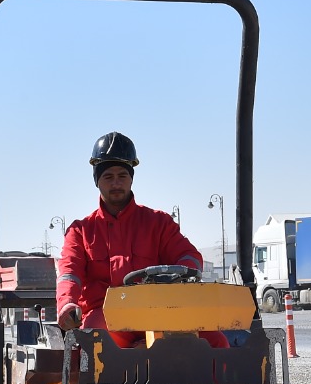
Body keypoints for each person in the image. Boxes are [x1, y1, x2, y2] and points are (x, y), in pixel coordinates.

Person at [56, 132, 220, 346]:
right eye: (108, 176)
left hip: (158, 314)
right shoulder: (81, 231)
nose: (116, 183)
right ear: (97, 181)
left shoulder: (158, 223)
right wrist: (67, 303)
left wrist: (178, 280)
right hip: (105, 317)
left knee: (215, 341)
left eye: (122, 176)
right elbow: (70, 272)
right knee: (95, 340)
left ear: (131, 178)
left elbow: (189, 256)